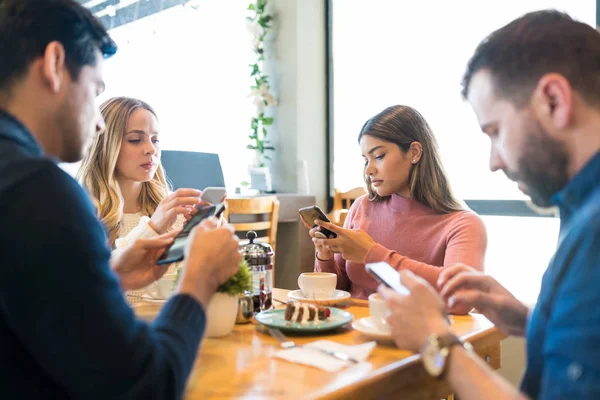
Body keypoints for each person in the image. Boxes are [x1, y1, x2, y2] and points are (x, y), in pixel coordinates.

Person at [0, 1, 241, 399]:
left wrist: (109, 275)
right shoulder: (40, 193)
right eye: (95, 91)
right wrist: (200, 278)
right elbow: (146, 386)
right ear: (55, 64)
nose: (97, 122)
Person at [379, 10, 600, 399]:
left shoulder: (594, 233)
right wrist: (527, 319)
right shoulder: (580, 207)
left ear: (554, 100)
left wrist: (436, 340)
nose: (494, 162)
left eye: (495, 131)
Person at [308, 105, 487, 313]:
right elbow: (339, 290)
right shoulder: (362, 207)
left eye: (379, 156)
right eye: (366, 159)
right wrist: (325, 256)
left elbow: (462, 298)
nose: (369, 170)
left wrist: (372, 254)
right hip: (352, 335)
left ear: (414, 152)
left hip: (417, 340)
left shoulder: (463, 224)